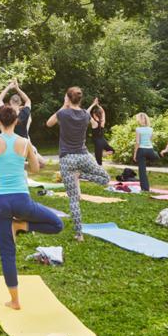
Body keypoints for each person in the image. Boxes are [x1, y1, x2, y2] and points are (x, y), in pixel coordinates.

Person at [0, 105, 63, 310]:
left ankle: (15, 301)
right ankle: (23, 225)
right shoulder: (25, 143)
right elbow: (35, 168)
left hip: (0, 203)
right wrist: (22, 159)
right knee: (57, 224)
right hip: (22, 200)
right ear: (16, 121)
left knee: (7, 252)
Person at [46, 87, 111, 241]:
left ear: (68, 98)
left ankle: (79, 234)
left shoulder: (63, 113)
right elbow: (89, 117)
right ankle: (81, 174)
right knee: (106, 179)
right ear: (80, 99)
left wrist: (64, 105)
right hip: (83, 156)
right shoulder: (85, 115)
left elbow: (49, 123)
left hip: (67, 159)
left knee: (73, 199)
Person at [133, 113, 160, 192]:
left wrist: (135, 154)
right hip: (150, 150)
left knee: (142, 171)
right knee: (155, 155)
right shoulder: (151, 129)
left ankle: (145, 189)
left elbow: (137, 142)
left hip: (141, 150)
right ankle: (158, 155)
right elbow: (150, 140)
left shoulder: (138, 129)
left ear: (140, 120)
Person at [87, 98, 115, 166]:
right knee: (112, 151)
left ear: (94, 114)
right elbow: (103, 112)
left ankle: (100, 155)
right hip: (103, 141)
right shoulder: (102, 121)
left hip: (98, 143)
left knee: (98, 162)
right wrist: (98, 105)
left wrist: (94, 104)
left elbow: (87, 112)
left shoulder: (94, 123)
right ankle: (100, 154)